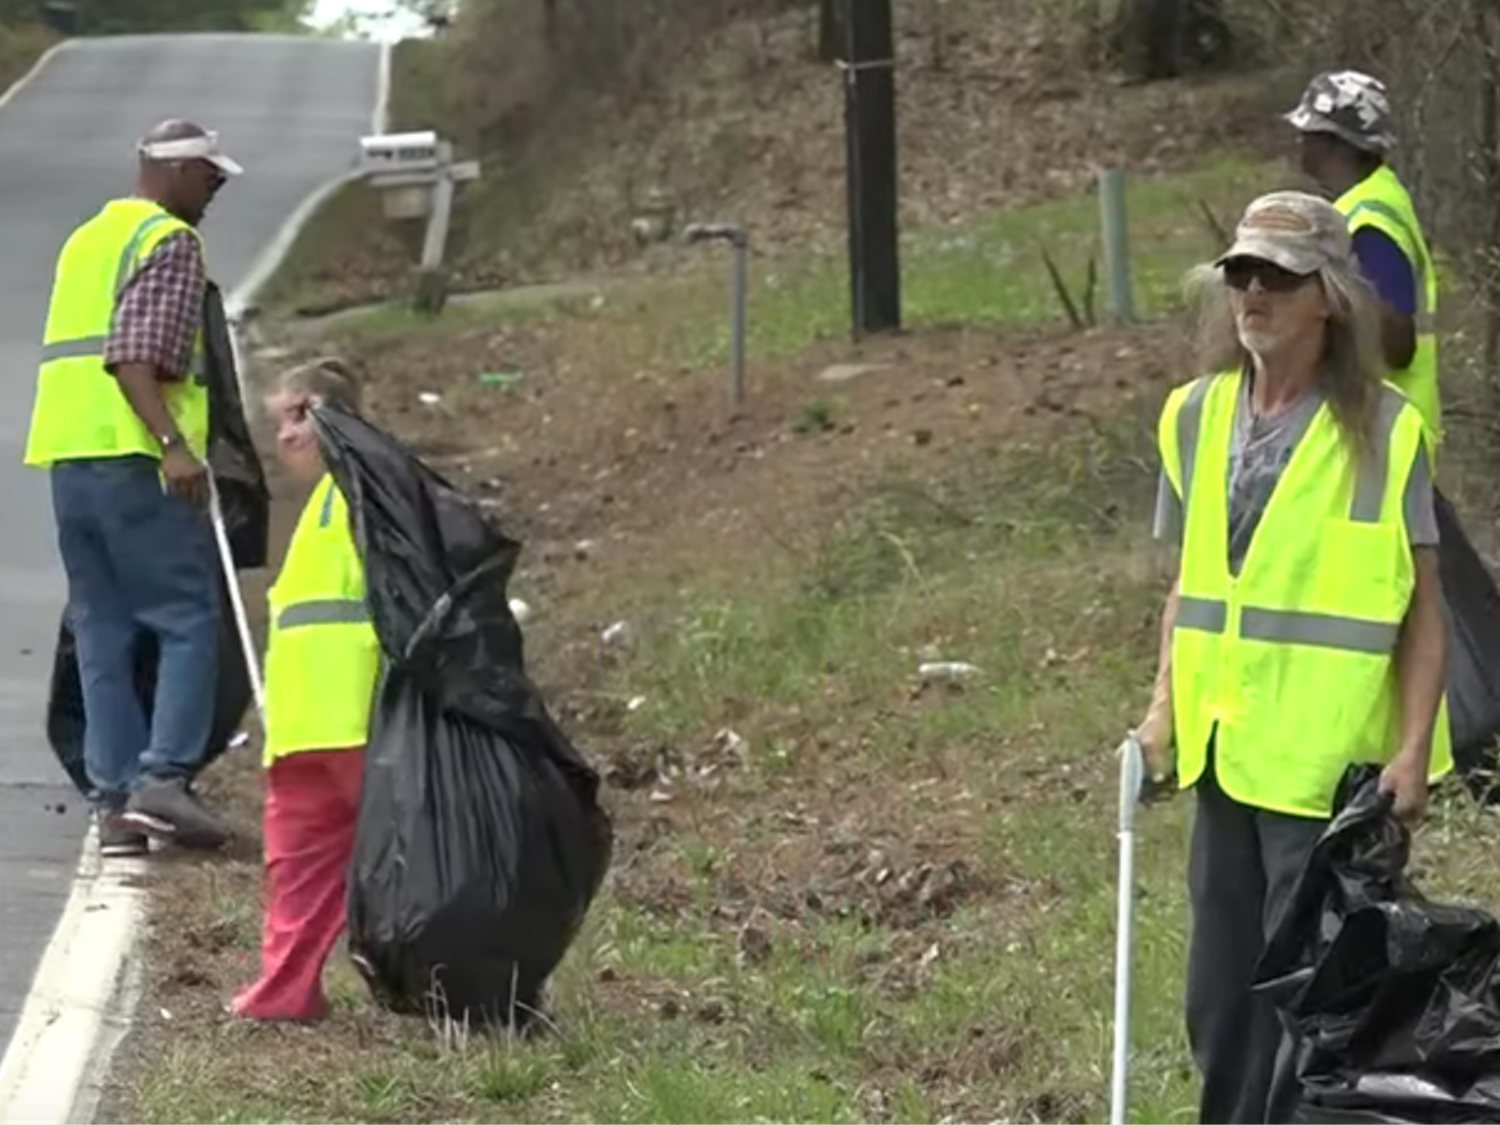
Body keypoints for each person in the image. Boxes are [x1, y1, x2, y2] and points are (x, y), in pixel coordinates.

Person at [1137, 192, 1450, 1124]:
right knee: (1220, 995)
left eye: (1276, 275)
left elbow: (1425, 613)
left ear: (1328, 297)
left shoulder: (1388, 433)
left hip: (1327, 777)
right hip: (1225, 754)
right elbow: (1193, 587)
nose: (1252, 292)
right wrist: (1162, 711)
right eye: (1240, 272)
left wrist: (1412, 750)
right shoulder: (1192, 417)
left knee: (1309, 1005)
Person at [24, 120, 242, 856]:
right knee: (185, 616)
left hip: (69, 461)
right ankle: (164, 779)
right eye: (210, 176)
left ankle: (117, 801)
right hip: (135, 459)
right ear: (174, 172)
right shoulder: (169, 242)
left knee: (102, 625)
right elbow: (134, 357)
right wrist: (173, 445)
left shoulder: (87, 238)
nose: (216, 190)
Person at [232, 358, 381, 1023]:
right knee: (297, 867)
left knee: (390, 863)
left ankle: (462, 983)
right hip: (305, 728)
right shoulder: (322, 504)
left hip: (354, 720)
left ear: (341, 415)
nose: (287, 434)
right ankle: (285, 992)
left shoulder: (368, 497)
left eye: (302, 412)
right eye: (280, 420)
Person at [1287, 70, 1440, 450]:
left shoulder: (1369, 220)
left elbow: (1397, 343)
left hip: (1386, 434)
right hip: (1379, 427)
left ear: (1336, 144)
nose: (1299, 142)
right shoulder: (1368, 201)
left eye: (1308, 132)